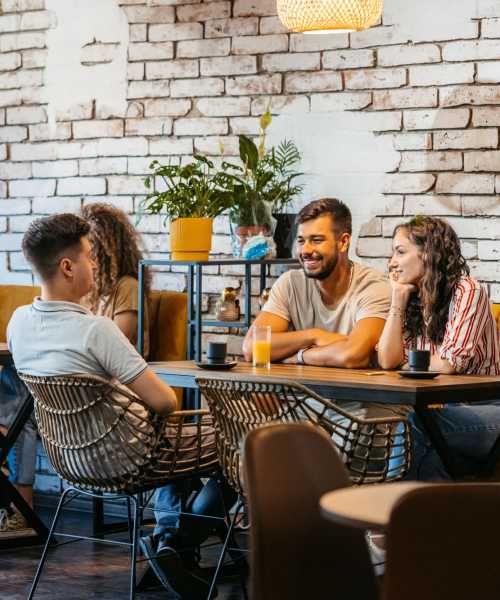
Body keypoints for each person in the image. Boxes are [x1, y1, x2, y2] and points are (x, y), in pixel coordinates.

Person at [7, 214, 228, 599]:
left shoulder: (17, 322)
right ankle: (173, 545)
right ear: (67, 266)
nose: (95, 264)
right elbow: (163, 401)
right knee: (241, 445)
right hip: (128, 457)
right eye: (90, 256)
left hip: (71, 463)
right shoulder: (97, 329)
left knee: (184, 446)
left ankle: (172, 545)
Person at [378, 215, 500, 479]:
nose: (392, 263)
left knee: (418, 423)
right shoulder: (413, 299)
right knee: (436, 460)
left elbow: (448, 364)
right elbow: (387, 360)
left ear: (428, 254)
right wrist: (397, 301)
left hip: (490, 408)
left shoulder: (467, 291)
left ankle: (385, 504)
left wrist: (408, 361)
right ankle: (417, 517)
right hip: (447, 409)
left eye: (400, 252)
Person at [243, 197, 391, 369]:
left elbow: (354, 355)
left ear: (343, 242)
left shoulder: (373, 287)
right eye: (301, 241)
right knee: (261, 393)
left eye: (317, 240)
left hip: (359, 394)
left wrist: (300, 355)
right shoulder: (290, 283)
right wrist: (313, 336)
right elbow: (252, 347)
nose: (305, 250)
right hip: (303, 393)